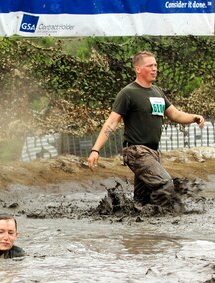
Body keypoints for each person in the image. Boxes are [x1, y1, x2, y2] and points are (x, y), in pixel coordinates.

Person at [87, 50, 206, 209]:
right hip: (137, 152)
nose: (154, 69)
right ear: (138, 69)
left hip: (153, 153)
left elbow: (175, 114)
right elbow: (112, 122)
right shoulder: (128, 93)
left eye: (155, 65)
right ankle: (167, 215)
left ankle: (137, 222)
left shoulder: (157, 92)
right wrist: (95, 149)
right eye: (150, 66)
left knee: (143, 201)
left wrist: (194, 117)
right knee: (165, 185)